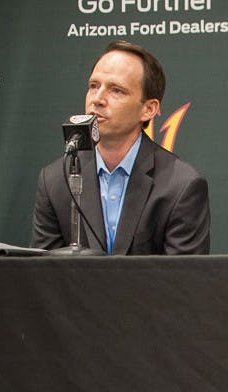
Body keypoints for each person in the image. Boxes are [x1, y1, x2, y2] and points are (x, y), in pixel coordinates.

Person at [32, 41, 210, 255]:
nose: (97, 99)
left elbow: (182, 283)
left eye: (116, 90)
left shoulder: (180, 186)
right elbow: (43, 277)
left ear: (149, 109)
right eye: (93, 86)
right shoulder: (55, 181)